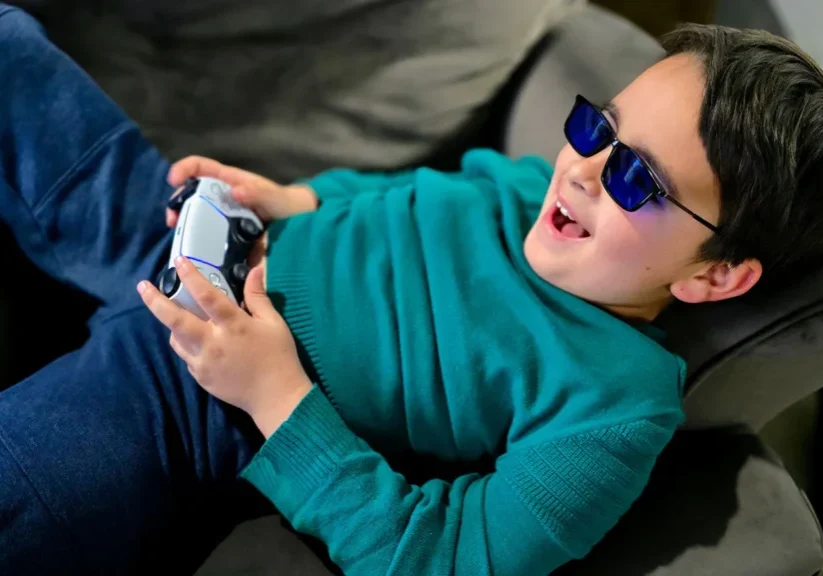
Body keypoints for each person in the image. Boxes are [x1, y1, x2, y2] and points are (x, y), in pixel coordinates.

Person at [1, 3, 822, 573]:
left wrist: (275, 396)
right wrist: (290, 198)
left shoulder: (614, 408)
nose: (581, 170)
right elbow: (399, 198)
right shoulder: (528, 184)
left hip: (192, 405)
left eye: (637, 178)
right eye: (596, 126)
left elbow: (447, 559)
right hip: (184, 232)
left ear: (715, 274)